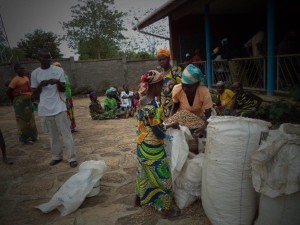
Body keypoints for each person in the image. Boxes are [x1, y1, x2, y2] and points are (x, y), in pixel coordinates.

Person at [135, 70, 181, 218]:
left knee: (143, 171)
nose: (163, 87)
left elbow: (146, 124)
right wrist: (169, 130)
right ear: (157, 85)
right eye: (162, 84)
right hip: (153, 148)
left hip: (141, 145)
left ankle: (138, 198)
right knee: (164, 177)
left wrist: (165, 124)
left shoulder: (142, 100)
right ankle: (166, 209)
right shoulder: (154, 105)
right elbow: (158, 131)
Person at [31, 48, 78, 168]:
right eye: (45, 57)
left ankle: (72, 158)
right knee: (52, 136)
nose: (48, 59)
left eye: (49, 57)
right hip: (45, 109)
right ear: (39, 59)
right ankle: (56, 157)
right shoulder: (35, 73)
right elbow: (34, 95)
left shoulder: (58, 70)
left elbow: (63, 88)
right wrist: (41, 85)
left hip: (59, 107)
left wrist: (57, 82)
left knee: (66, 134)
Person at [171, 64, 213, 137]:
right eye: (183, 85)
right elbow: (174, 107)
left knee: (202, 136)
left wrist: (204, 126)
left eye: (189, 87)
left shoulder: (204, 92)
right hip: (182, 120)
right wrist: (171, 120)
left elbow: (208, 115)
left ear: (196, 84)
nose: (185, 89)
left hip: (198, 119)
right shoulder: (177, 90)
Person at [6, 63, 38, 145]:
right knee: (22, 121)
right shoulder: (15, 80)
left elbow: (29, 90)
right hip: (20, 104)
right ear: (16, 70)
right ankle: (24, 139)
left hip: (28, 103)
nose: (23, 70)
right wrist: (14, 100)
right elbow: (8, 91)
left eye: (23, 68)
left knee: (30, 120)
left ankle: (33, 136)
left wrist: (33, 99)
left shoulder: (26, 78)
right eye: (20, 68)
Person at [156, 48, 182, 118]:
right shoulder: (160, 75)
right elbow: (158, 92)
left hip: (175, 104)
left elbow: (181, 87)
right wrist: (158, 106)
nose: (161, 61)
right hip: (163, 106)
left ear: (169, 58)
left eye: (163, 59)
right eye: (159, 60)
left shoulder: (176, 70)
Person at [52, 62, 77, 132]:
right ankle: (66, 128)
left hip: (69, 96)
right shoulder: (55, 77)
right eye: (57, 66)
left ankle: (72, 127)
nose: (59, 68)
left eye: (59, 66)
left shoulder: (65, 75)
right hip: (62, 97)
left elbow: (68, 84)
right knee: (64, 113)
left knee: (71, 112)